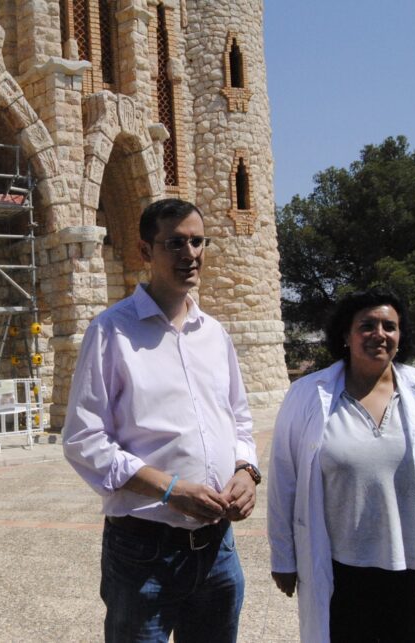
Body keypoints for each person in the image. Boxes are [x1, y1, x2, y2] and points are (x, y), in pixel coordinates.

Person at [63, 198, 261, 642]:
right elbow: (83, 439)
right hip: (143, 551)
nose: (190, 254)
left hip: (218, 549)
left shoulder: (214, 334)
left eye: (197, 241)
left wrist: (247, 471)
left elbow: (240, 420)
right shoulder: (111, 332)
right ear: (145, 252)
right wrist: (171, 490)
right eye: (174, 243)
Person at [267, 288, 415, 642]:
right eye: (367, 325)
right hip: (339, 569)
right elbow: (284, 478)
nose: (380, 334)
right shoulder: (309, 394)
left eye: (390, 326)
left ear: (401, 336)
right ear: (345, 334)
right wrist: (284, 557)